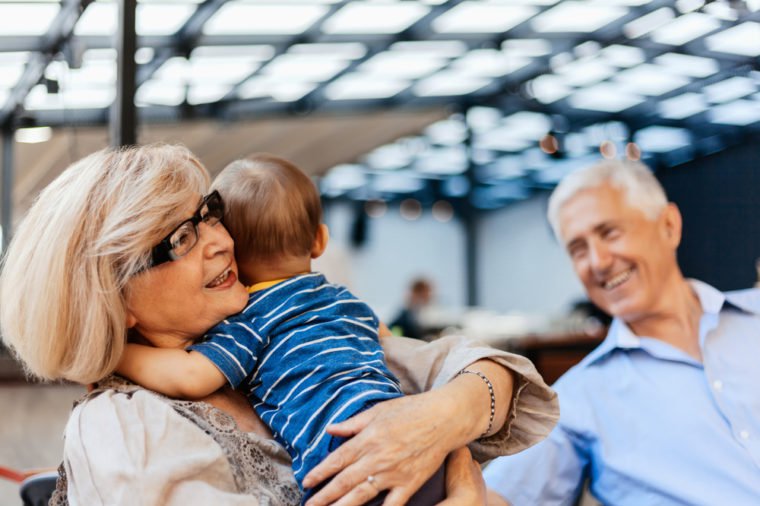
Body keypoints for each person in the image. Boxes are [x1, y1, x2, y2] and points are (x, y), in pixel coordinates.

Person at [0, 144, 559, 506]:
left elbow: (495, 373)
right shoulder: (121, 427)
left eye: (208, 214)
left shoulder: (283, 332)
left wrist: (442, 415)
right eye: (182, 238)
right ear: (114, 300)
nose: (222, 239)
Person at [116, 154, 443, 503]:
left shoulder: (251, 320)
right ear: (320, 240)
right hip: (413, 440)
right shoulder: (347, 302)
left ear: (235, 250)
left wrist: (116, 355)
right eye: (182, 239)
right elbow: (398, 356)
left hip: (344, 459)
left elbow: (192, 376)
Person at [484, 160, 760, 505]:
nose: (597, 262)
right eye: (578, 249)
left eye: (609, 232)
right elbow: (496, 497)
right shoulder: (576, 399)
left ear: (669, 226)